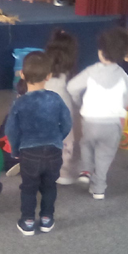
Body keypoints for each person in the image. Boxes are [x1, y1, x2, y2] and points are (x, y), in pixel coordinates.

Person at [5, 52, 72, 235]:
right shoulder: (56, 98)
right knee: (50, 186)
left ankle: (27, 221)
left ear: (22, 75)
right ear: (48, 76)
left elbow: (11, 130)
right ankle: (47, 219)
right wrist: (57, 138)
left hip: (29, 153)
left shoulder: (19, 103)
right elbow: (67, 123)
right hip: (54, 151)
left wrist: (15, 150)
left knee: (28, 188)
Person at [67, 28, 128, 199]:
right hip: (112, 125)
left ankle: (85, 170)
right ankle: (99, 189)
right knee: (105, 155)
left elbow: (72, 87)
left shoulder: (92, 71)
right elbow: (127, 100)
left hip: (90, 121)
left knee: (86, 144)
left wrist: (79, 102)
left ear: (101, 52)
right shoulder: (124, 76)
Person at [45, 29, 79, 184]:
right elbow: (75, 94)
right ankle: (62, 170)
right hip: (63, 113)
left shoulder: (43, 69)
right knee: (65, 140)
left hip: (42, 109)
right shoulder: (70, 74)